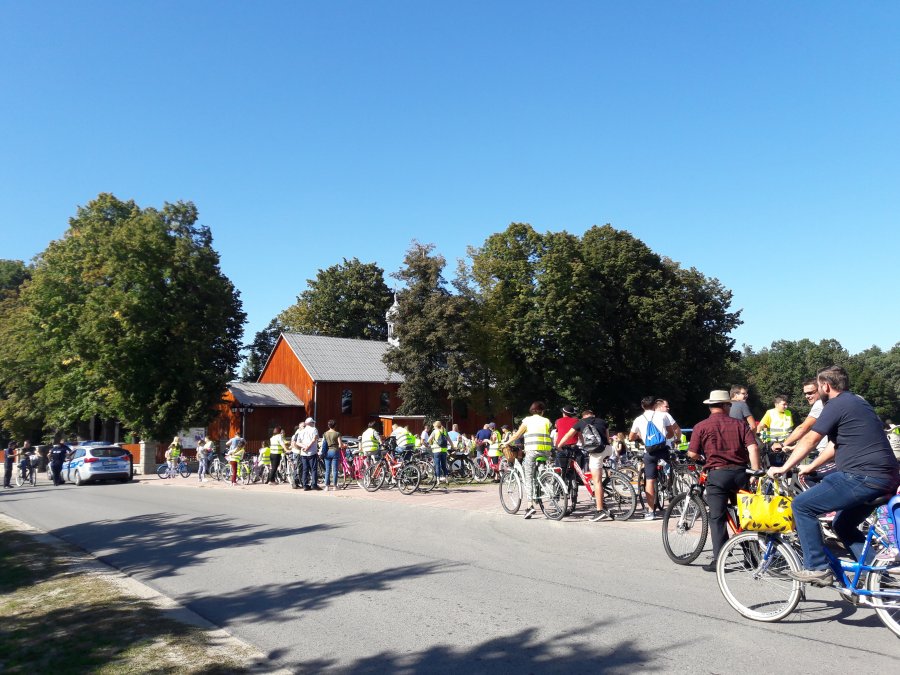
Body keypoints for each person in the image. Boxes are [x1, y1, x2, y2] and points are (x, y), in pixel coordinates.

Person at [768, 366, 900, 585]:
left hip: (862, 476)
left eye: (817, 387)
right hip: (887, 476)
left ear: (825, 386)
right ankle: (874, 576)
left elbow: (810, 439)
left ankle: (817, 568)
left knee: (802, 505)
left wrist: (784, 467)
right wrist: (809, 467)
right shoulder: (858, 402)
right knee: (842, 525)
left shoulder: (835, 404)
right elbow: (835, 445)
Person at [687, 390, 760, 571]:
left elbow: (693, 453)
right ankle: (752, 558)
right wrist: (756, 472)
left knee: (717, 518)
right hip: (740, 474)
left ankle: (719, 560)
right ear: (726, 405)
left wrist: (700, 458)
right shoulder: (740, 425)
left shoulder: (701, 426)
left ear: (711, 406)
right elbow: (753, 448)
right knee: (745, 516)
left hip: (717, 475)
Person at [557, 409, 615, 522]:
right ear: (593, 415)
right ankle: (602, 494)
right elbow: (607, 439)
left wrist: (559, 445)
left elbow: (568, 435)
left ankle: (599, 511)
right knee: (598, 474)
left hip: (597, 451)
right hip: (608, 450)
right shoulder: (603, 421)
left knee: (596, 481)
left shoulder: (580, 422)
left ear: (583, 416)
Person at [629, 396, 678, 520]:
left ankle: (651, 512)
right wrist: (663, 436)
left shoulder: (638, 419)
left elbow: (631, 437)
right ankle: (672, 488)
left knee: (650, 480)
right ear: (655, 405)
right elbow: (671, 432)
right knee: (673, 469)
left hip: (649, 452)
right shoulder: (663, 416)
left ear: (642, 406)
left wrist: (641, 436)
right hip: (663, 449)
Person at [505, 401, 553, 519]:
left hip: (532, 450)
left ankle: (530, 506)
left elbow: (517, 435)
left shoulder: (527, 420)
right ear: (542, 411)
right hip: (546, 451)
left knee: (528, 477)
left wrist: (505, 442)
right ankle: (543, 484)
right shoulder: (547, 421)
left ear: (532, 410)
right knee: (541, 469)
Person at [298, 417, 320, 491]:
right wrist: (308, 447)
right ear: (310, 423)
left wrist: (304, 446)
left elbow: (298, 442)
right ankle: (314, 484)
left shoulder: (301, 431)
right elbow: (315, 439)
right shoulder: (314, 429)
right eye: (313, 422)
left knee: (305, 469)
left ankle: (305, 485)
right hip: (312, 452)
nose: (314, 424)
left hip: (303, 453)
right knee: (313, 469)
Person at [429, 420, 451, 487]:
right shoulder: (444, 431)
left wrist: (431, 443)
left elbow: (429, 440)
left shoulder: (435, 431)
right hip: (444, 451)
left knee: (437, 465)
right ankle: (446, 479)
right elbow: (449, 440)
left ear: (435, 426)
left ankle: (438, 480)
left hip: (436, 450)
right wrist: (453, 447)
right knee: (444, 465)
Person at [322, 420, 342, 491]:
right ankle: (334, 486)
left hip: (327, 452)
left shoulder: (325, 434)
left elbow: (323, 444)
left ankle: (327, 486)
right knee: (335, 470)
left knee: (327, 470)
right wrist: (344, 446)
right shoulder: (337, 434)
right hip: (335, 451)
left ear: (328, 426)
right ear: (335, 425)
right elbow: (340, 445)